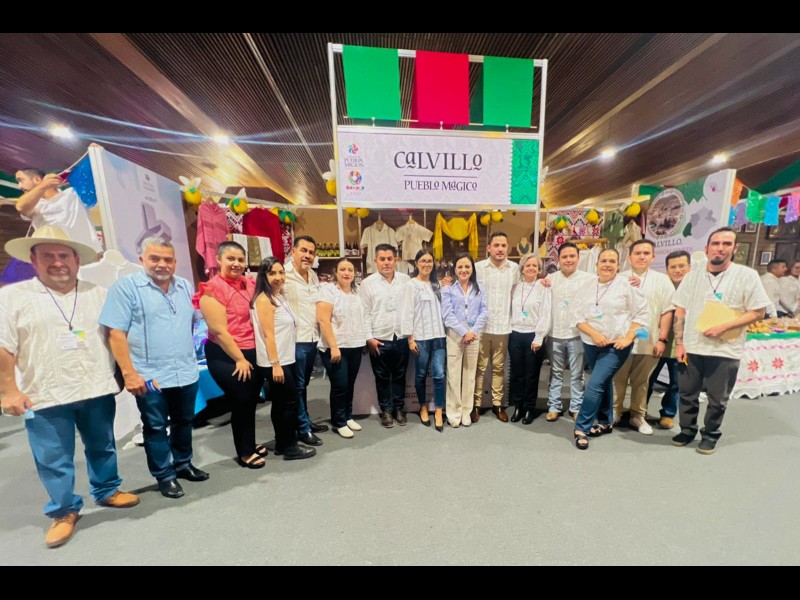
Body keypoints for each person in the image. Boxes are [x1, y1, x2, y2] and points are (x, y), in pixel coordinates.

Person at [0, 226, 139, 548]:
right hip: (43, 393)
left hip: (96, 386)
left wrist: (130, 371)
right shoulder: (12, 297)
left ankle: (107, 490)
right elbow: (4, 347)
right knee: (53, 457)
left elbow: (117, 335)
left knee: (103, 445)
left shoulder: (98, 293)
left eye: (64, 255)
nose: (57, 262)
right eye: (47, 256)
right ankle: (63, 511)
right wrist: (8, 391)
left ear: (77, 260)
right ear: (33, 260)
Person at [100, 237, 208, 500]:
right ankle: (164, 475)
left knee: (184, 421)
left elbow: (193, 322)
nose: (162, 264)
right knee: (156, 427)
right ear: (142, 260)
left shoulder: (184, 286)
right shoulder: (126, 288)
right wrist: (129, 373)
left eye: (168, 259)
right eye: (155, 258)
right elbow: (115, 333)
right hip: (150, 375)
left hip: (185, 370)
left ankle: (183, 463)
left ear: (175, 262)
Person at [672, 228, 771, 455]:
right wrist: (679, 343)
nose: (720, 248)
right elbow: (680, 310)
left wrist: (724, 326)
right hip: (692, 346)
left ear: (735, 248)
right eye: (715, 243)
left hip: (726, 348)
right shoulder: (692, 276)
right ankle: (687, 430)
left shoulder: (747, 276)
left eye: (726, 244)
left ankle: (710, 434)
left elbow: (758, 312)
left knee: (717, 399)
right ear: (706, 248)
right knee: (687, 394)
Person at [195, 241, 267, 468]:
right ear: (218, 260)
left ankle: (249, 442)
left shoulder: (249, 283)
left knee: (251, 400)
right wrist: (239, 359)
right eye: (230, 259)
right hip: (227, 354)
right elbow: (219, 331)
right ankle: (245, 452)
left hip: (252, 349)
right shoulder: (212, 290)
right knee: (242, 400)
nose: (236, 264)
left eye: (240, 259)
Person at [571, 249, 649, 450]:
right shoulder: (587, 285)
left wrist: (628, 337)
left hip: (616, 346)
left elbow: (642, 314)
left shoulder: (626, 285)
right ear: (596, 264)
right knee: (604, 382)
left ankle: (581, 427)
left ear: (618, 265)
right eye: (603, 260)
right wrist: (594, 334)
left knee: (595, 384)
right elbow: (576, 316)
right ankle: (606, 422)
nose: (607, 264)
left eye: (612, 261)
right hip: (591, 343)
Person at [252, 258, 316, 460]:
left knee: (281, 403)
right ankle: (290, 446)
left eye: (281, 272)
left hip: (285, 358)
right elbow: (268, 335)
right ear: (263, 276)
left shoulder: (277, 297)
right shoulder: (264, 300)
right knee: (289, 402)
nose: (278, 277)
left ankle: (282, 442)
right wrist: (275, 364)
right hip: (275, 361)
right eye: (272, 273)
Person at [612, 239, 675, 434]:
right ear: (629, 257)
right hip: (622, 339)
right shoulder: (618, 278)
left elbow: (667, 311)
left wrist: (662, 339)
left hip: (649, 340)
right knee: (617, 379)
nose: (642, 256)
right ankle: (614, 411)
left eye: (646, 253)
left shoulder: (662, 281)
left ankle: (638, 416)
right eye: (637, 253)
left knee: (642, 382)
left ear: (653, 257)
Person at [360, 244, 411, 428]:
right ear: (375, 261)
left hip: (401, 336)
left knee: (400, 375)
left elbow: (410, 309)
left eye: (390, 259)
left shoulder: (405, 280)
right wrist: (369, 338)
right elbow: (364, 313)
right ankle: (386, 410)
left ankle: (399, 408)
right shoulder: (367, 284)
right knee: (381, 377)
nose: (386, 263)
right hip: (379, 338)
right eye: (382, 259)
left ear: (396, 260)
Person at [284, 236, 328, 446]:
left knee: (304, 384)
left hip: (312, 338)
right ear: (293, 251)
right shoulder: (283, 274)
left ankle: (305, 420)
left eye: (311, 252)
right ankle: (302, 428)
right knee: (298, 385)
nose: (307, 255)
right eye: (303, 250)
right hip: (295, 339)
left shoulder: (313, 276)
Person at [544, 243, 595, 422]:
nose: (568, 260)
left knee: (577, 373)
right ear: (558, 259)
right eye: (564, 257)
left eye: (572, 256)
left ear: (578, 258)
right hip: (555, 333)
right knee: (555, 372)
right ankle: (553, 406)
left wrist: (631, 281)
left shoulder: (590, 279)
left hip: (577, 334)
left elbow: (609, 284)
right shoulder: (550, 278)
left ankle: (576, 406)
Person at [317, 258, 367, 438]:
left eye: (350, 270)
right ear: (335, 272)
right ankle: (339, 422)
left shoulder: (357, 291)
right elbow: (323, 320)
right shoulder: (328, 291)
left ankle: (347, 416)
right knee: (340, 385)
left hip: (355, 345)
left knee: (350, 383)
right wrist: (334, 346)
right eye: (343, 269)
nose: (347, 273)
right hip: (335, 347)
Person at [473, 232, 519, 422]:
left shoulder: (514, 268)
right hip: (482, 327)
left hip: (503, 327)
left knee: (499, 368)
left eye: (503, 245)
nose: (500, 249)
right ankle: (475, 405)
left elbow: (519, 292)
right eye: (496, 245)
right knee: (479, 368)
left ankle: (497, 404)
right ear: (489, 248)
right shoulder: (478, 268)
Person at [401, 249, 447, 432]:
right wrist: (410, 339)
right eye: (423, 261)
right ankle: (422, 407)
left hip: (439, 337)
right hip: (420, 337)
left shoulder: (438, 284)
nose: (427, 264)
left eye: (429, 261)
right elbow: (407, 312)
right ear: (417, 263)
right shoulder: (411, 285)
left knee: (439, 374)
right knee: (420, 374)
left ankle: (439, 410)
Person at [441, 253, 488, 428]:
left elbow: (484, 312)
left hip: (473, 336)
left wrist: (472, 331)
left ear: (472, 269)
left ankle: (467, 412)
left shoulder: (480, 288)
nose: (464, 270)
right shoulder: (448, 289)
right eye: (460, 266)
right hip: (455, 336)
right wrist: (463, 332)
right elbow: (447, 315)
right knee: (453, 376)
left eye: (467, 266)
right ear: (454, 269)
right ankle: (454, 413)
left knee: (470, 376)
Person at [646, 250, 691, 430]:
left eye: (681, 266)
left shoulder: (695, 290)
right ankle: (639, 410)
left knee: (677, 382)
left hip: (683, 345)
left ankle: (668, 414)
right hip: (658, 341)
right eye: (673, 267)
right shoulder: (661, 287)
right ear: (667, 269)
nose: (677, 270)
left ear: (689, 267)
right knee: (648, 378)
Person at [14, 168, 102, 254]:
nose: (19, 186)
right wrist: (43, 185)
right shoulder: (34, 206)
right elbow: (20, 207)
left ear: (37, 179)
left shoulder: (73, 194)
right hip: (57, 259)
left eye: (21, 180)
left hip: (89, 255)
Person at [508, 254, 552, 425]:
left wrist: (539, 337)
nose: (531, 268)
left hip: (534, 335)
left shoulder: (543, 287)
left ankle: (529, 408)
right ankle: (518, 406)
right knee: (517, 374)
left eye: (535, 266)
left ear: (539, 269)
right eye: (528, 265)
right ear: (522, 268)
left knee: (531, 375)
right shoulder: (515, 287)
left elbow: (545, 312)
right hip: (515, 334)